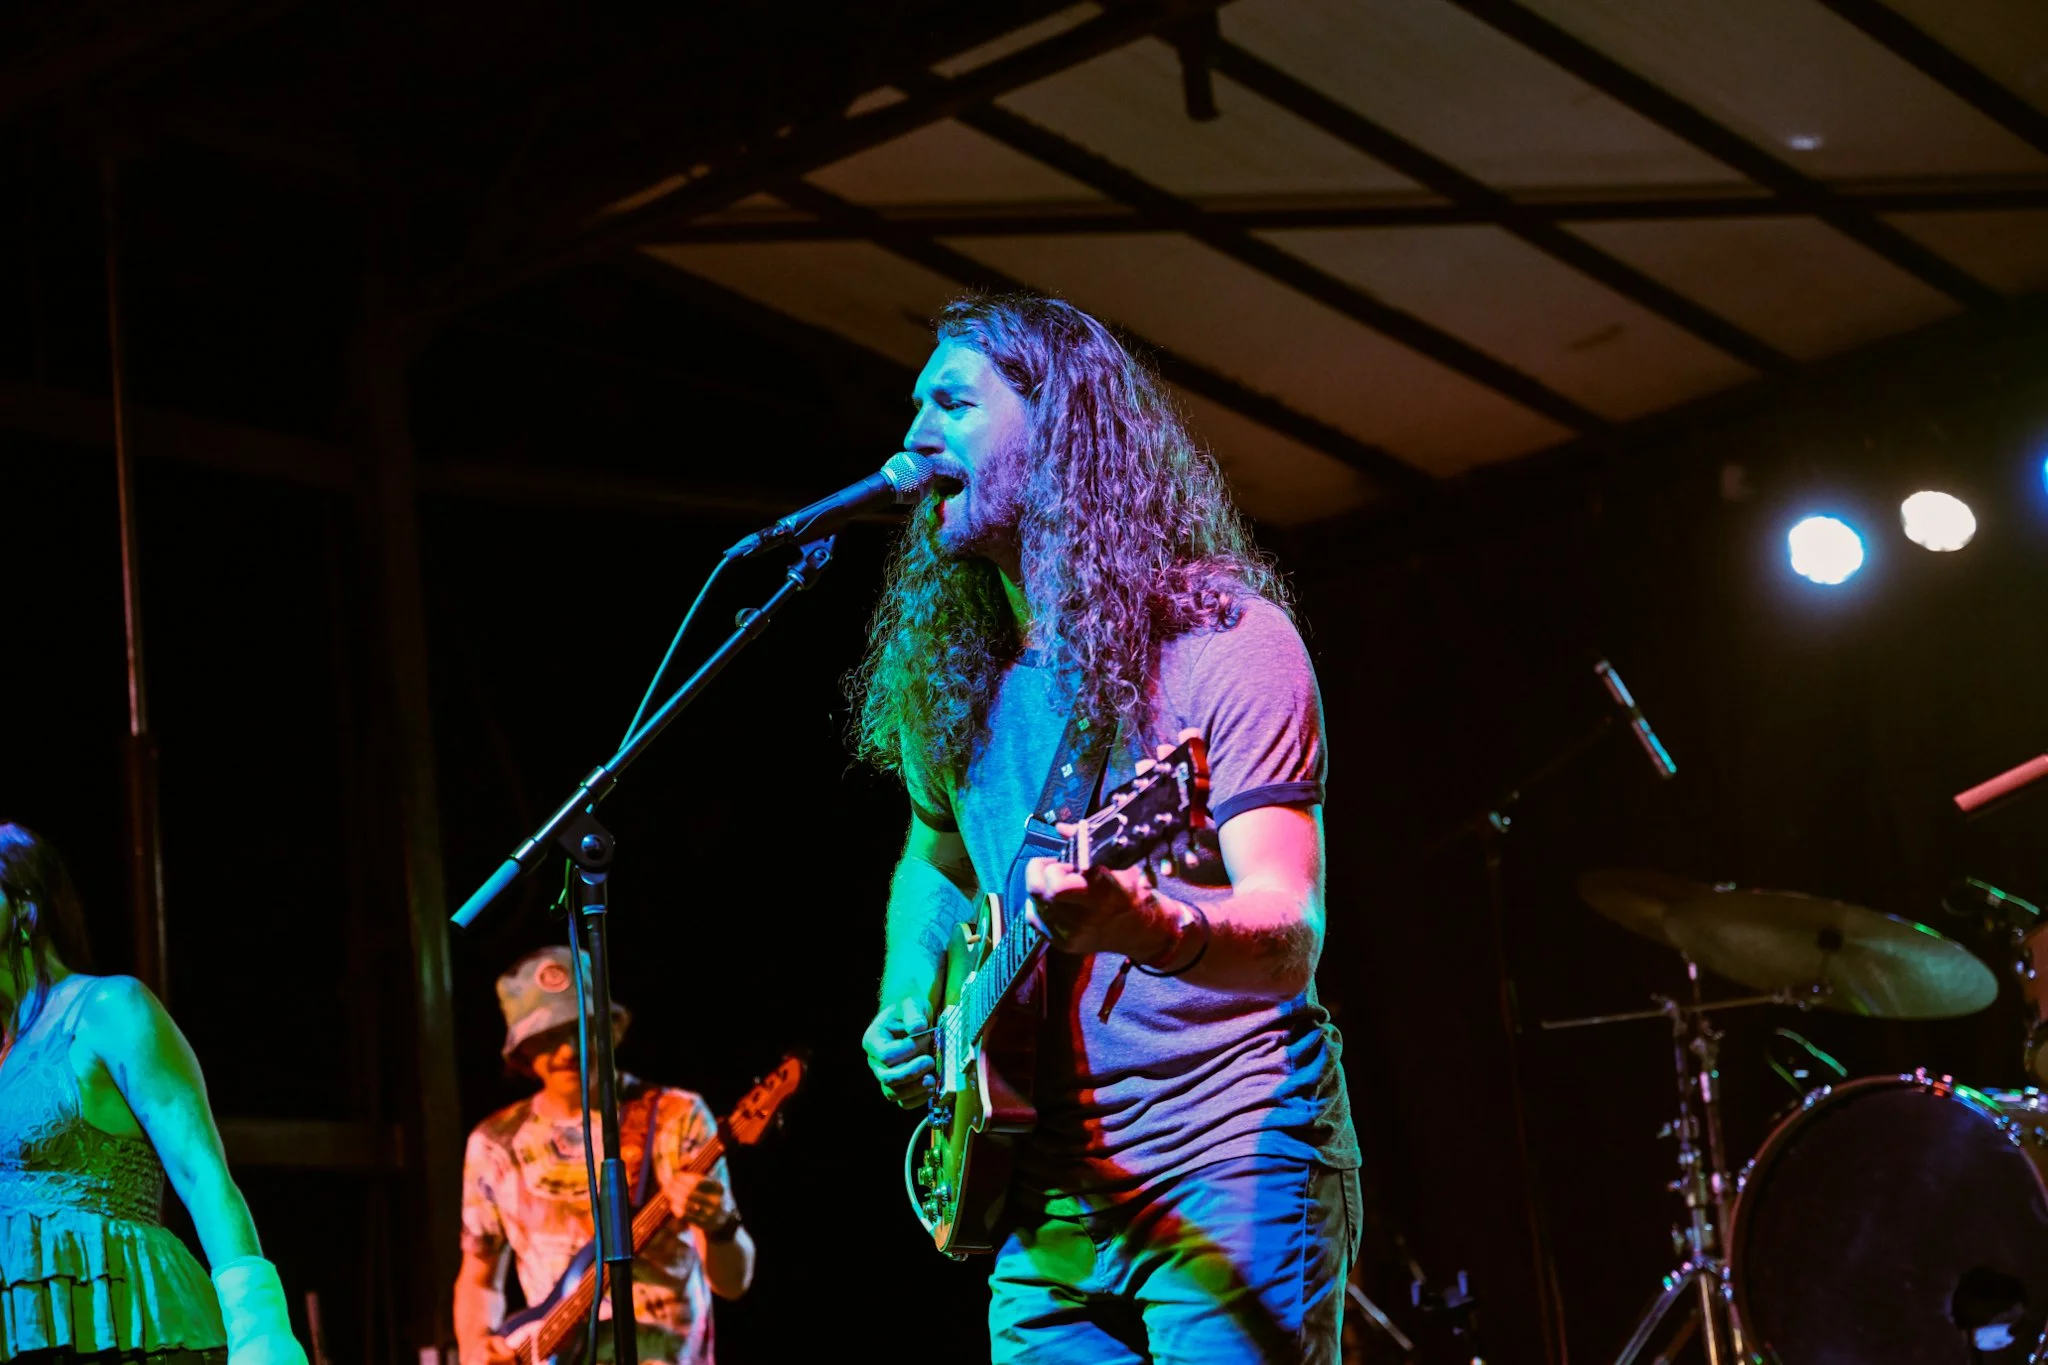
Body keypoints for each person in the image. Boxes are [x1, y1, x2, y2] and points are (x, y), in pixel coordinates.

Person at [854, 294, 1361, 1363]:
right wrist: (911, 993)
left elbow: (1287, 931)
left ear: (1061, 426)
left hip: (1227, 1153)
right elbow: (932, 859)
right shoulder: (955, 682)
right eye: (913, 409)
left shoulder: (1224, 644)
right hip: (1042, 1201)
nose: (913, 437)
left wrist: (1150, 925)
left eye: (951, 402)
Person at [0, 822, 308, 1365]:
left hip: (122, 1326)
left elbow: (202, 1174)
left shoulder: (106, 1008)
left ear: (24, 909)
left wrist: (262, 1333)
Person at [453, 947, 753, 1365]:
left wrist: (721, 1224)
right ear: (521, 1053)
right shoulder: (494, 1142)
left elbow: (733, 1283)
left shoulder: (677, 1116)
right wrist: (474, 1350)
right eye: (546, 1037)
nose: (566, 1051)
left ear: (611, 1029)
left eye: (578, 1028)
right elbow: (480, 1276)